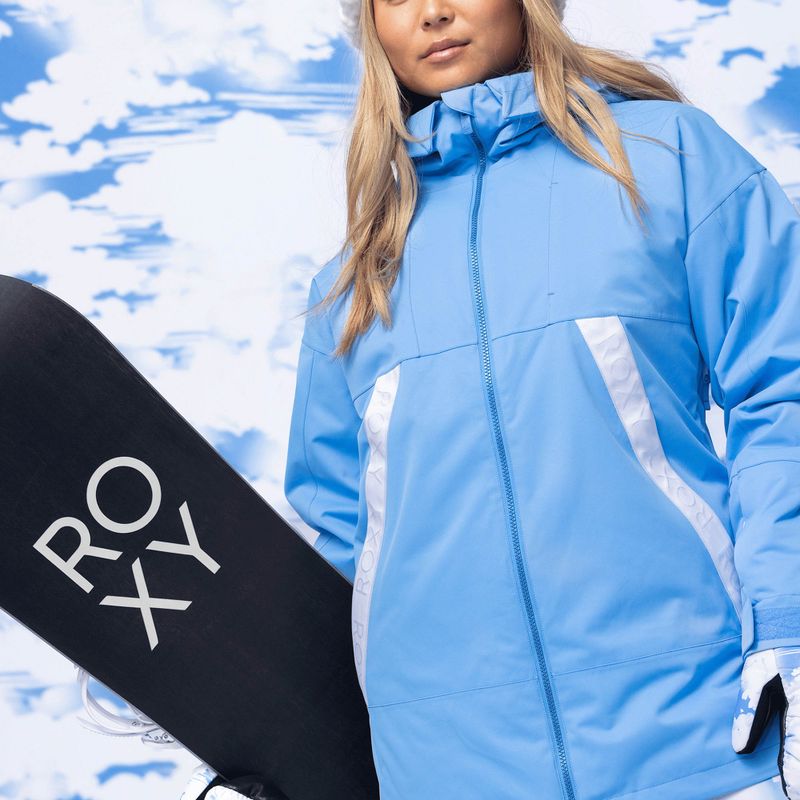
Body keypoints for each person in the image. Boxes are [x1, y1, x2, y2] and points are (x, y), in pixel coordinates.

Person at [182, 0, 800, 798]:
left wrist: (789, 622)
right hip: (443, 769)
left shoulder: (667, 159)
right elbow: (338, 543)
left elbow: (782, 391)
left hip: (698, 740)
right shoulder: (358, 282)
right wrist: (233, 706)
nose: (433, 12)